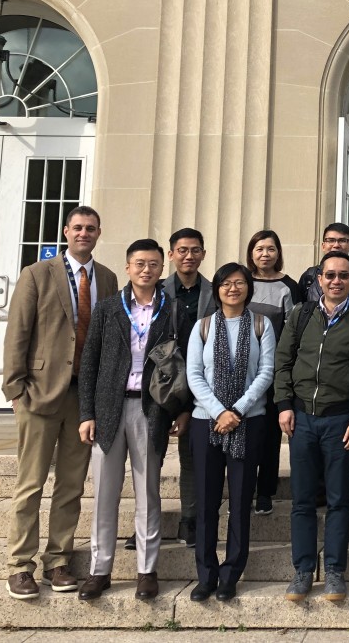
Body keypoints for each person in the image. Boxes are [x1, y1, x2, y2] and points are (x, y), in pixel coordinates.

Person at [1, 206, 118, 600]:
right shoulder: (38, 273)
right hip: (39, 391)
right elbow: (18, 331)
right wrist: (15, 389)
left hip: (83, 398)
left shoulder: (107, 277)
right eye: (78, 227)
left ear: (99, 233)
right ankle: (20, 565)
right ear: (66, 231)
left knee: (70, 484)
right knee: (31, 483)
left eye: (91, 228)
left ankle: (59, 560)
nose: (84, 233)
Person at [276, 251, 349, 603]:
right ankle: (303, 570)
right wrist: (284, 405)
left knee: (338, 500)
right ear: (319, 278)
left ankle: (335, 571)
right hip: (302, 419)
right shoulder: (301, 315)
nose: (336, 281)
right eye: (330, 275)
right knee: (302, 500)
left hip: (340, 422)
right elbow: (283, 361)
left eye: (343, 276)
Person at [76, 239, 176, 601]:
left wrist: (175, 410)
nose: (146, 269)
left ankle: (147, 571)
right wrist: (87, 413)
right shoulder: (107, 309)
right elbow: (89, 363)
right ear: (128, 266)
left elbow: (181, 366)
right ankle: (99, 570)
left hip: (150, 409)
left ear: (161, 268)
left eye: (152, 264)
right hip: (109, 408)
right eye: (139, 263)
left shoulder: (172, 310)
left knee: (148, 491)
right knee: (104, 492)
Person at [186, 262, 276, 602]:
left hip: (248, 420)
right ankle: (206, 574)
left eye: (239, 283)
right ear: (218, 289)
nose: (233, 289)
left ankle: (231, 573)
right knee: (207, 501)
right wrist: (219, 411)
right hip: (205, 420)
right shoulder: (203, 327)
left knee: (240, 501)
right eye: (226, 283)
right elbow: (194, 374)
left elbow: (266, 372)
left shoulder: (261, 324)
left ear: (248, 288)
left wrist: (236, 410)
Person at [162, 227, 215, 548]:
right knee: (149, 458)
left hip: (199, 383)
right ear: (171, 254)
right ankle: (147, 523)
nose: (188, 256)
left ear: (203, 254)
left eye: (195, 250)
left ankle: (190, 521)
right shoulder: (157, 289)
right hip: (161, 383)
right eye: (182, 250)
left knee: (191, 458)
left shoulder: (212, 291)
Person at [245, 229, 295, 517]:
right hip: (242, 371)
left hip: (274, 372)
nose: (265, 254)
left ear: (278, 253)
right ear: (251, 252)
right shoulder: (240, 281)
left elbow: (291, 331)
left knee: (270, 435)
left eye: (271, 248)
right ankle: (244, 487)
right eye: (259, 248)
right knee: (245, 431)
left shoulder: (288, 287)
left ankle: (265, 491)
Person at [297, 222, 349, 308]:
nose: (336, 245)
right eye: (331, 240)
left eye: (342, 240)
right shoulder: (309, 275)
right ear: (323, 246)